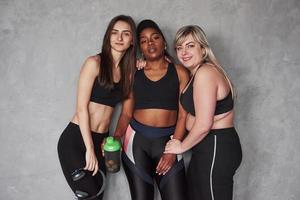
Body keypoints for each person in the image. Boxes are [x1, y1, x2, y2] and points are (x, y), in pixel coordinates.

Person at [57, 15, 136, 200]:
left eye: (125, 34)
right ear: (108, 36)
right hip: (76, 140)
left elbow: (127, 113)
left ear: (132, 40)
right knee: (89, 195)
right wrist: (89, 149)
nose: (119, 38)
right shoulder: (94, 63)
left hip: (102, 142)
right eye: (115, 33)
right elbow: (81, 109)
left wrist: (113, 139)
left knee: (97, 196)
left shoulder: (129, 73)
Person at [113, 19, 189, 200]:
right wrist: (116, 137)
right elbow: (126, 113)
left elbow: (184, 115)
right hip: (136, 143)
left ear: (164, 42)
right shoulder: (133, 73)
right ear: (140, 47)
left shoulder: (180, 72)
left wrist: (172, 151)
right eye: (144, 40)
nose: (150, 43)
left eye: (155, 38)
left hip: (169, 141)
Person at [164, 25, 242, 200]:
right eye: (179, 47)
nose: (184, 52)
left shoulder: (206, 73)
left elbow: (204, 124)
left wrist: (181, 147)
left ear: (203, 48)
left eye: (190, 46)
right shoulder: (195, 73)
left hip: (216, 146)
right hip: (204, 147)